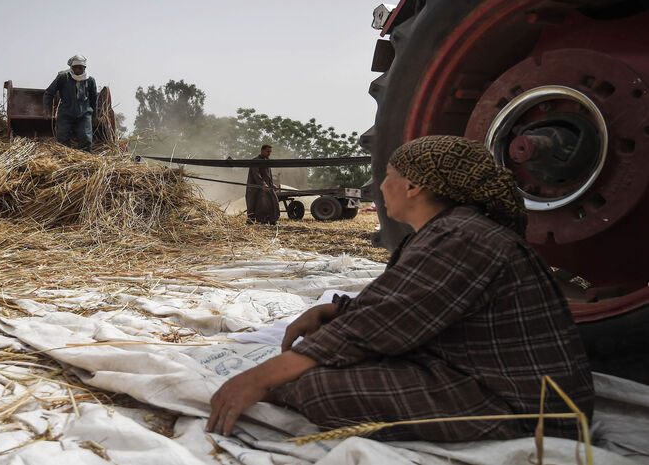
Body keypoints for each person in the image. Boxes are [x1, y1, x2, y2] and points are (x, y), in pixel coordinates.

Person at [208, 135, 594, 441]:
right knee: (321, 354)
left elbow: (376, 326)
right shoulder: (448, 230)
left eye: (389, 174)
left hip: (521, 405)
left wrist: (260, 379)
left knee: (320, 389)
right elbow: (404, 304)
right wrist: (335, 310)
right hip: (471, 369)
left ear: (413, 186)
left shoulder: (461, 237)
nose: (381, 183)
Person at [43, 54, 98, 152]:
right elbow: (49, 92)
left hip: (84, 113)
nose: (77, 70)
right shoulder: (63, 77)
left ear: (84, 68)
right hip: (66, 112)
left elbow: (94, 99)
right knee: (62, 135)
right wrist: (47, 107)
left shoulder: (90, 80)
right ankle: (64, 158)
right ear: (71, 67)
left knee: (86, 136)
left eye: (80, 68)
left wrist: (94, 116)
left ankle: (85, 160)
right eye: (75, 67)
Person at [245, 144, 280, 225]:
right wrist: (263, 184)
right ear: (262, 150)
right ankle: (256, 220)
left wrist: (272, 184)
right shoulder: (255, 161)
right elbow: (256, 174)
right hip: (255, 187)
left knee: (274, 201)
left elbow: (268, 176)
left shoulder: (267, 161)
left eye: (270, 152)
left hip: (267, 187)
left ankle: (272, 220)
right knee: (258, 203)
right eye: (267, 151)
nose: (269, 153)